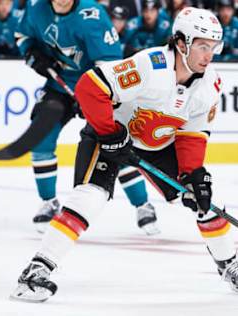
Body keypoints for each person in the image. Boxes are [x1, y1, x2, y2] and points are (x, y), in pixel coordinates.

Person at [10, 6, 238, 303]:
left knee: (206, 199)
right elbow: (90, 86)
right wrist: (108, 133)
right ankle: (35, 271)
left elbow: (193, 134)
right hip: (108, 136)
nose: (209, 55)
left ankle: (229, 264)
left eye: (213, 47)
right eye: (202, 46)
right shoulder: (150, 65)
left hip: (156, 145)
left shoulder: (210, 85)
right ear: (182, 43)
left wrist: (193, 174)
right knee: (90, 197)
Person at [15, 0, 159, 235]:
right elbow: (22, 36)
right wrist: (32, 54)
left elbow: (111, 66)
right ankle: (49, 202)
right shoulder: (36, 7)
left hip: (95, 87)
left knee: (114, 146)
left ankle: (143, 204)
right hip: (59, 87)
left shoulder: (92, 17)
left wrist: (97, 98)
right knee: (41, 139)